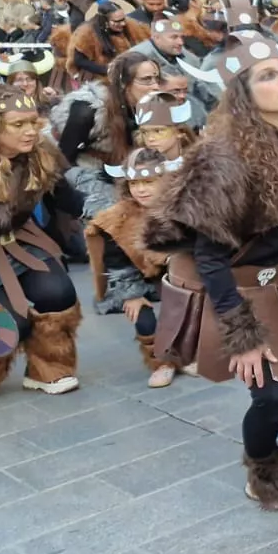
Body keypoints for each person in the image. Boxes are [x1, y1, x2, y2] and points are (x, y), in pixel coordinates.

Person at [144, 31, 278, 510]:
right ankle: (263, 466)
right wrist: (240, 331)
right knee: (270, 394)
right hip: (239, 290)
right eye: (268, 75)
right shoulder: (222, 157)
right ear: (244, 93)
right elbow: (209, 256)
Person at [0, 85, 84, 404]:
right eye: (18, 124)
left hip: (22, 241)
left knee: (58, 293)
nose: (30, 132)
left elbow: (71, 200)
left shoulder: (41, 153)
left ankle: (48, 368)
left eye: (34, 122)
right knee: (5, 322)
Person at [86, 137, 182, 388]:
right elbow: (117, 262)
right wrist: (131, 294)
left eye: (149, 182)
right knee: (143, 317)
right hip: (140, 278)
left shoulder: (184, 210)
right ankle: (162, 362)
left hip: (181, 277)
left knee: (185, 305)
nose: (141, 189)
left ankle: (188, 351)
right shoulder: (119, 219)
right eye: (135, 183)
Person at [49, 52, 161, 220]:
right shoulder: (88, 110)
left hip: (124, 175)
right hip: (83, 176)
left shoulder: (150, 106)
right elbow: (61, 162)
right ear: (124, 83)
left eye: (156, 78)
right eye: (146, 80)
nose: (155, 86)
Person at [129, 18, 216, 121]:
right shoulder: (135, 59)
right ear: (156, 38)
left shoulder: (189, 58)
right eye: (174, 37)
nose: (181, 42)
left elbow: (204, 90)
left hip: (194, 114)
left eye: (181, 37)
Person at [69, 0, 150, 82]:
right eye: (117, 21)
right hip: (99, 76)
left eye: (123, 19)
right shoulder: (86, 33)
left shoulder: (132, 26)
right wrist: (106, 69)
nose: (123, 24)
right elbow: (79, 60)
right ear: (105, 21)